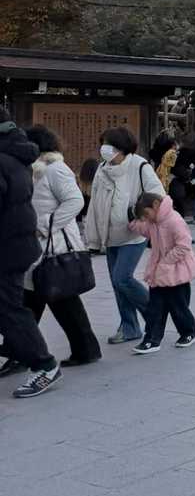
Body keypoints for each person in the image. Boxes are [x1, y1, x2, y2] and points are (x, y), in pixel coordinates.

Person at [21, 126, 101, 368]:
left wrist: (45, 225)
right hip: (36, 248)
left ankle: (84, 350)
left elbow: (75, 201)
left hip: (54, 247)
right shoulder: (33, 170)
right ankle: (22, 352)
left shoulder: (55, 169)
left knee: (60, 302)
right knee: (31, 302)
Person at [0, 109, 63, 397]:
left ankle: (44, 365)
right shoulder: (16, 155)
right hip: (16, 245)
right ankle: (24, 353)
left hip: (8, 250)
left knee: (9, 309)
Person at [85, 126, 165, 344]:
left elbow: (157, 195)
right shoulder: (102, 169)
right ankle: (129, 327)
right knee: (117, 283)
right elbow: (94, 203)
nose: (104, 148)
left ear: (121, 147)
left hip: (134, 234)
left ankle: (154, 314)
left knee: (122, 278)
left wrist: (137, 213)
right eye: (103, 144)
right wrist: (92, 237)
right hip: (109, 235)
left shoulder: (139, 166)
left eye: (108, 144)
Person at [127, 192, 195, 353]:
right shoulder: (153, 222)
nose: (146, 218)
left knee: (178, 307)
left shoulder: (174, 220)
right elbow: (144, 229)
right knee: (155, 307)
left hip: (177, 273)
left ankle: (189, 332)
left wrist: (166, 262)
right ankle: (152, 339)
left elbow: (184, 245)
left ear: (155, 205)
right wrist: (132, 221)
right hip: (159, 273)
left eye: (146, 213)